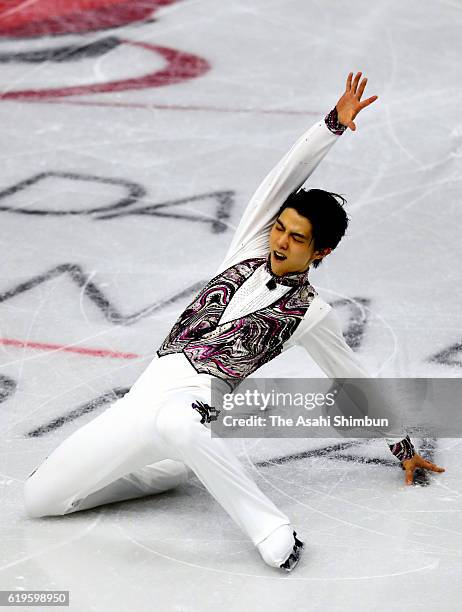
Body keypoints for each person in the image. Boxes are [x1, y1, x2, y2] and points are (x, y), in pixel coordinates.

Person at [23, 72, 445, 572]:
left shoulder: (310, 312)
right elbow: (282, 177)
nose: (281, 241)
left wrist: (402, 448)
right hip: (144, 401)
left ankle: (274, 532)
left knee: (179, 422)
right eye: (281, 229)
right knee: (40, 502)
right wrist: (331, 126)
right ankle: (166, 473)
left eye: (296, 238)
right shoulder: (248, 247)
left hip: (198, 404)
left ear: (321, 251)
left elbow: (353, 378)